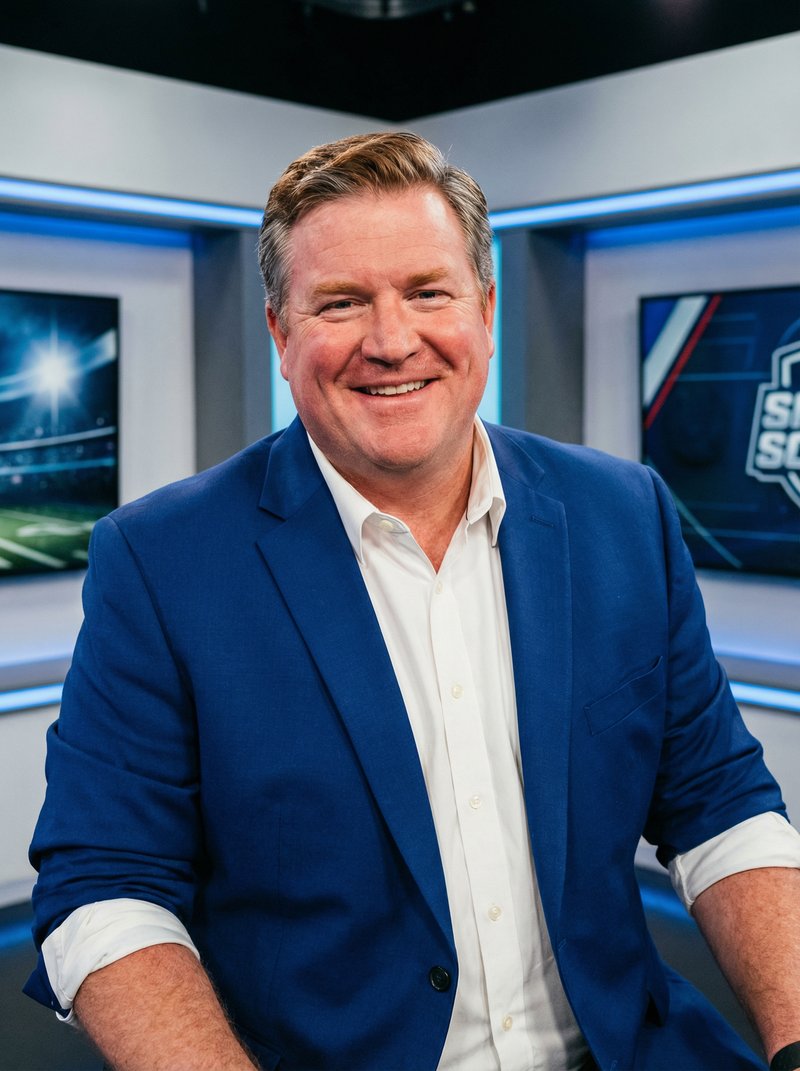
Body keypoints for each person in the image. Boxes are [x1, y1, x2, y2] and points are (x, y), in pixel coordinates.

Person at [25, 132, 800, 1071]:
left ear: (486, 309)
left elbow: (721, 804)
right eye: (341, 302)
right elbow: (105, 891)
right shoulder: (159, 562)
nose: (392, 341)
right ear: (279, 334)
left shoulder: (623, 512)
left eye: (429, 292)